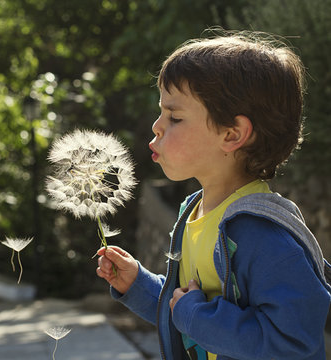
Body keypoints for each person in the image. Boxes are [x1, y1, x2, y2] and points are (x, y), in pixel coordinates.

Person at [96, 30, 331, 360]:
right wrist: (139, 284)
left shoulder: (263, 234)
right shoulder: (193, 211)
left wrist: (195, 314)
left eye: (175, 117)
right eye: (161, 112)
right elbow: (186, 310)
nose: (156, 126)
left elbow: (293, 343)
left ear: (232, 134)